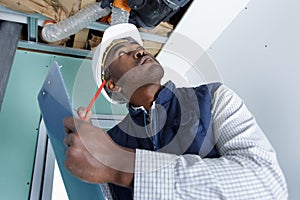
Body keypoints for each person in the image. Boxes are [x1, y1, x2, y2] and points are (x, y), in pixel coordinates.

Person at [63, 23, 288, 199]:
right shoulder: (109, 140)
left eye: (139, 47)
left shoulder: (215, 98)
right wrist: (84, 154)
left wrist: (120, 165)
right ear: (111, 84)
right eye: (123, 53)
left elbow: (267, 186)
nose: (140, 52)